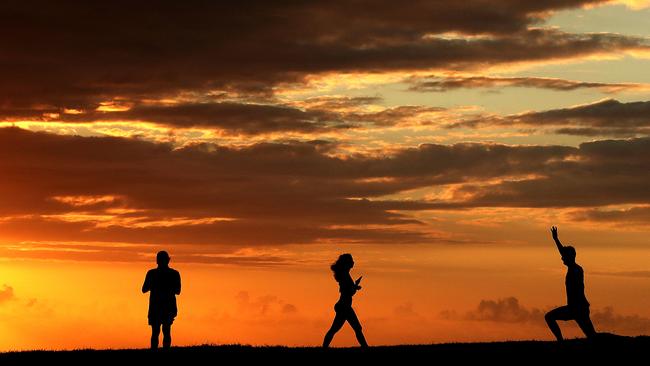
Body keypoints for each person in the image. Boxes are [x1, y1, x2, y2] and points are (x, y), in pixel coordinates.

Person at [545, 226, 597, 341]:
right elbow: (563, 252)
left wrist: (579, 307)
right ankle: (560, 341)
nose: (562, 258)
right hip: (575, 308)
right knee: (592, 336)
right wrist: (556, 239)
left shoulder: (576, 270)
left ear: (570, 257)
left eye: (564, 257)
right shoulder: (573, 268)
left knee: (592, 336)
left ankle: (560, 342)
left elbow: (578, 290)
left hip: (578, 308)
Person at [323, 253, 368, 348]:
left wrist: (355, 286)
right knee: (356, 328)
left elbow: (348, 290)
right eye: (351, 260)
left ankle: (324, 348)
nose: (353, 262)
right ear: (347, 263)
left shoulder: (346, 274)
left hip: (343, 306)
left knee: (335, 329)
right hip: (344, 306)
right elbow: (348, 291)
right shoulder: (345, 275)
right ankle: (366, 347)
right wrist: (355, 287)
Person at [142, 250, 181, 349]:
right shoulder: (174, 274)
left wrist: (156, 286)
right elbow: (178, 291)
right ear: (168, 260)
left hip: (157, 306)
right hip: (166, 306)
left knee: (157, 331)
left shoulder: (151, 273)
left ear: (157, 261)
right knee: (165, 330)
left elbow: (144, 289)